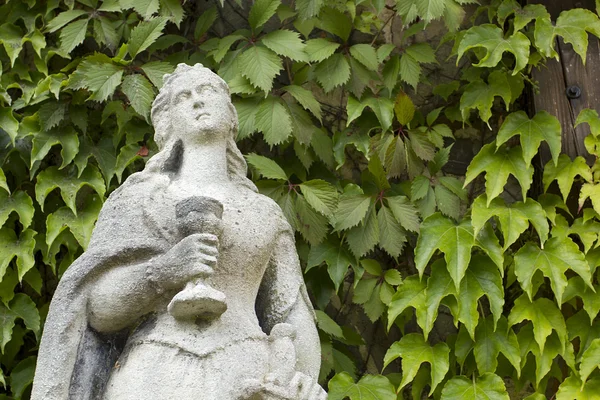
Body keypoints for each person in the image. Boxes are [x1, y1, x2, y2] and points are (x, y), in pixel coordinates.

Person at [32, 63, 326, 400]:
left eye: (208, 91)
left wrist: (301, 378)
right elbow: (99, 311)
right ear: (168, 122)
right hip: (152, 375)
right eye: (183, 97)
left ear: (232, 115)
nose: (197, 101)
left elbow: (290, 313)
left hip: (246, 370)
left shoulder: (264, 212)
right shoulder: (139, 199)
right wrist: (164, 271)